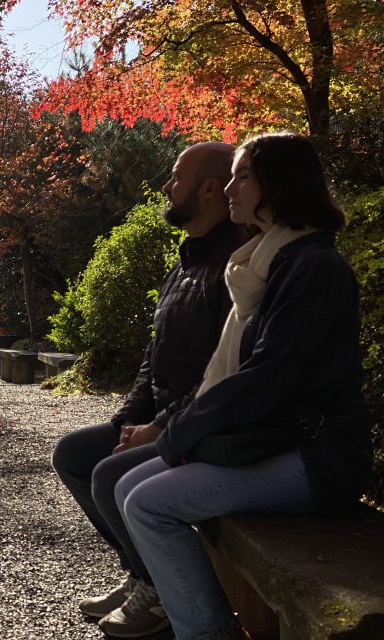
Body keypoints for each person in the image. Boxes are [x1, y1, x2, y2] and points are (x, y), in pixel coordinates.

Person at [114, 132, 373, 640]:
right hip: (276, 438)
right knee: (125, 485)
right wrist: (176, 433)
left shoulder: (313, 267)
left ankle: (207, 632)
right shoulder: (266, 260)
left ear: (279, 184)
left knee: (147, 504)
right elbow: (238, 373)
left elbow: (266, 378)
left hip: (317, 455)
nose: (230, 188)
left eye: (243, 175)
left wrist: (178, 435)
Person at [51, 141, 247, 638]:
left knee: (110, 475)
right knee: (75, 453)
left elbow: (224, 371)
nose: (166, 186)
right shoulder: (184, 262)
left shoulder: (236, 265)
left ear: (207, 188)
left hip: (203, 425)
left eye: (176, 176)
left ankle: (164, 592)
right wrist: (126, 420)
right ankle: (144, 574)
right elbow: (155, 357)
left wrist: (159, 427)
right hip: (164, 418)